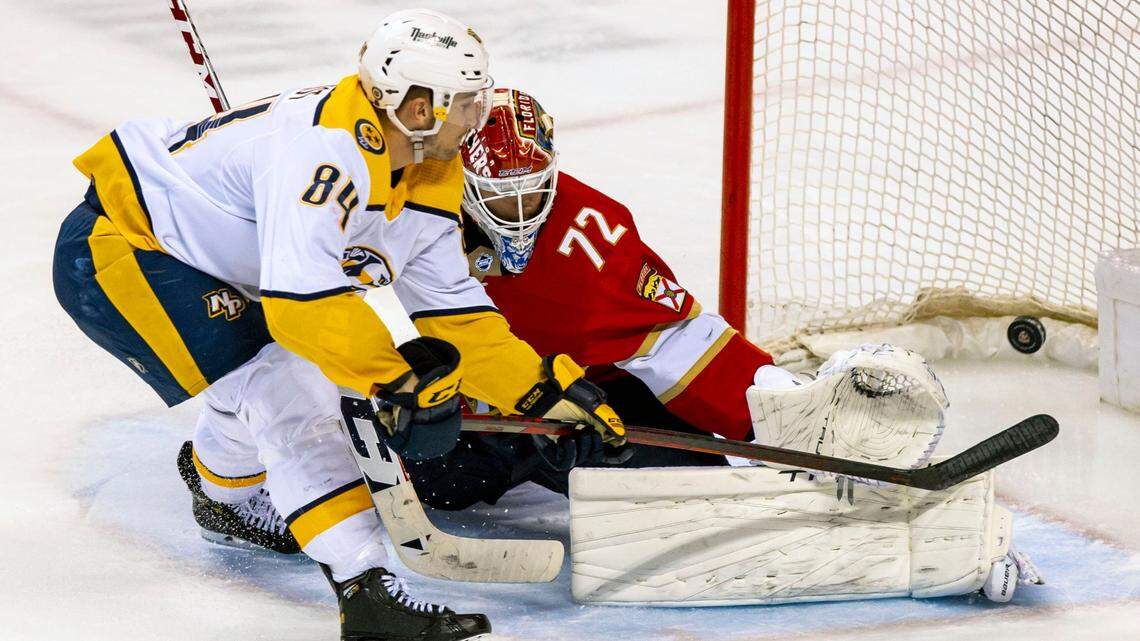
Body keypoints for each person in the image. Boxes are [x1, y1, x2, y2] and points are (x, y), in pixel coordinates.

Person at [53, 13, 623, 641]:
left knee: (256, 379)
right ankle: (366, 591)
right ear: (413, 104)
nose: (475, 118)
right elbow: (303, 309)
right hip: (124, 250)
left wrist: (541, 393)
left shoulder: (431, 165)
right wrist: (396, 381)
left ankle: (219, 493)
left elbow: (453, 309)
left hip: (213, 261)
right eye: (463, 102)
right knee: (288, 387)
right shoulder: (329, 151)